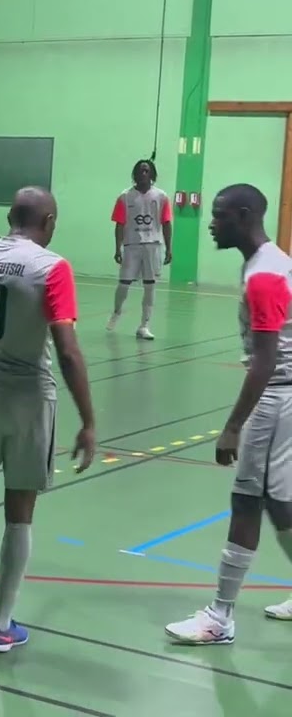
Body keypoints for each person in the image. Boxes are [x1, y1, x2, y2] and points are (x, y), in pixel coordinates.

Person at [0, 186, 97, 653]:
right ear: (47, 220)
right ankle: (2, 626)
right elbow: (67, 350)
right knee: (19, 510)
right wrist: (88, 419)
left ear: (10, 215)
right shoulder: (52, 267)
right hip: (28, 398)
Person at [164, 184, 292, 645]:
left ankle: (220, 617)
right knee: (278, 505)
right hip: (282, 397)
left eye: (218, 216)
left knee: (248, 502)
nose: (212, 224)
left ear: (243, 216)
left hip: (275, 399)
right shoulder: (269, 264)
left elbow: (265, 359)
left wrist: (233, 426)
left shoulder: (264, 275)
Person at [107, 159, 173, 340]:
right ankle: (117, 311)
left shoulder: (161, 196)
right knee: (124, 283)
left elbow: (166, 223)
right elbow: (119, 225)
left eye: (147, 171)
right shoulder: (125, 196)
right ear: (135, 174)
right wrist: (117, 248)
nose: (143, 174)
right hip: (132, 245)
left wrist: (169, 249)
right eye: (140, 171)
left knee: (150, 286)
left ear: (152, 174)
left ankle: (144, 325)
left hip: (153, 245)